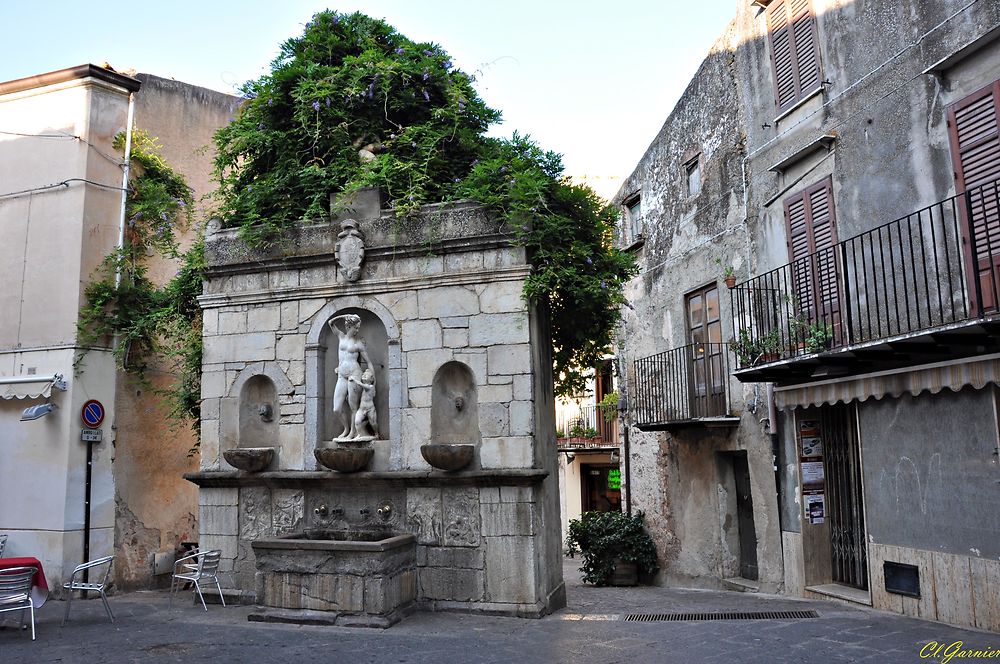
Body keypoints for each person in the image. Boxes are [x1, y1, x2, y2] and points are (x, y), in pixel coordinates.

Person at [327, 314, 375, 440]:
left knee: (353, 406)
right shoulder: (341, 336)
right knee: (336, 408)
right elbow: (331, 323)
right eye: (356, 327)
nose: (357, 330)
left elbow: (368, 361)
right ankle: (346, 428)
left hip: (355, 374)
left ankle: (352, 432)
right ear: (349, 326)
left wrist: (373, 379)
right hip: (342, 375)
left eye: (358, 328)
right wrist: (344, 316)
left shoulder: (358, 343)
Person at [348, 368, 378, 440]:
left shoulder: (370, 387)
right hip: (361, 409)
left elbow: (360, 384)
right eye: (363, 374)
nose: (364, 375)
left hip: (370, 409)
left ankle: (376, 433)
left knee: (373, 423)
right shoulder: (364, 387)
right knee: (357, 421)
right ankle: (360, 434)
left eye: (366, 375)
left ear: (371, 379)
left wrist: (354, 379)